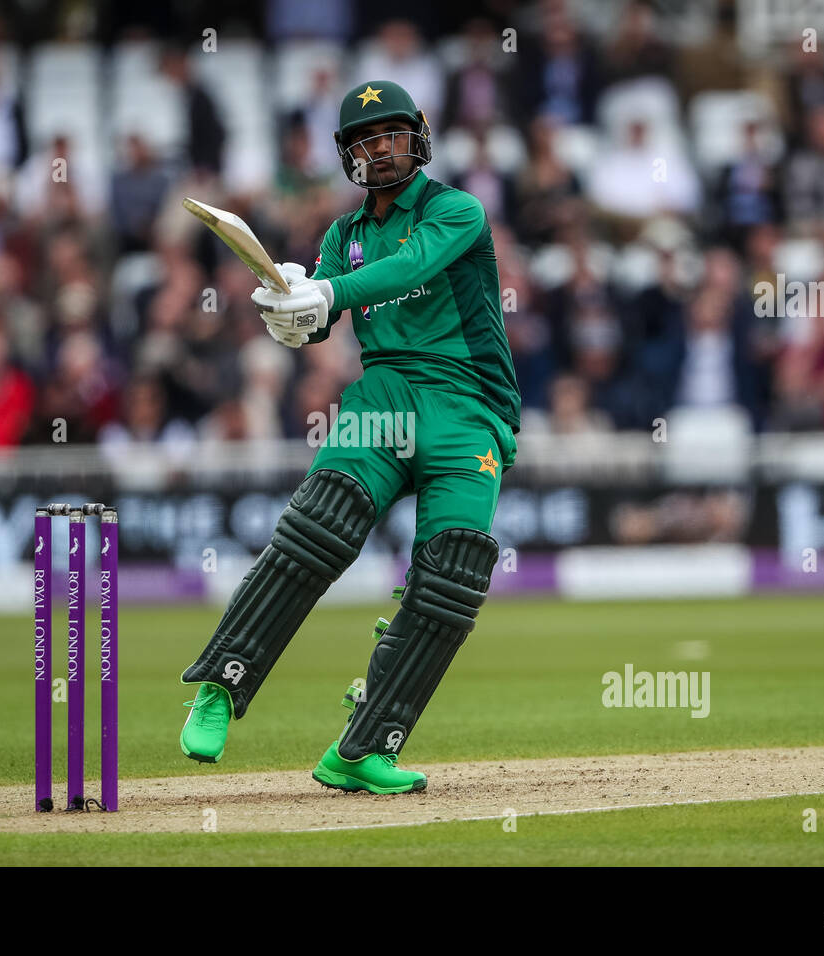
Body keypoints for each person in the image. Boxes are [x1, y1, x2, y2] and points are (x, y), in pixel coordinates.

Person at [178, 81, 520, 794]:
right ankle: (220, 682)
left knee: (453, 575)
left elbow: (413, 267)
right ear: (347, 157)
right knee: (321, 526)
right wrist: (290, 309)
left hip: (469, 406)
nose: (379, 150)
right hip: (386, 394)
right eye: (364, 142)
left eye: (390, 135)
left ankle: (364, 750)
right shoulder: (343, 236)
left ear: (417, 137)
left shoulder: (457, 209)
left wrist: (328, 294)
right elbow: (317, 320)